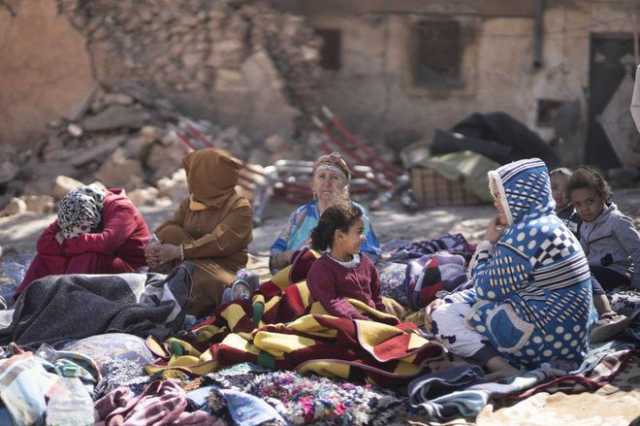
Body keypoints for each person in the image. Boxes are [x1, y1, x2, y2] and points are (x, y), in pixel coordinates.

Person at [425, 158, 595, 377]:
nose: (496, 203)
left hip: (550, 345)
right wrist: (452, 298)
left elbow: (484, 288)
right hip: (571, 339)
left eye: (500, 195)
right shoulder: (549, 223)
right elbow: (499, 286)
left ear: (519, 195)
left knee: (442, 316)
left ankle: (502, 367)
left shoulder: (527, 233)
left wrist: (487, 242)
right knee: (460, 303)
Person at [145, 148, 253, 317]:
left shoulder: (239, 207)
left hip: (220, 270)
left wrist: (179, 252)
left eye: (196, 173)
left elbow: (219, 241)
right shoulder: (192, 202)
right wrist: (154, 243)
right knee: (170, 233)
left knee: (192, 272)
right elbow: (172, 224)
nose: (192, 179)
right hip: (191, 258)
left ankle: (224, 293)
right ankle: (164, 285)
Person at [15, 185, 151, 296]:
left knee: (88, 256)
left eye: (83, 229)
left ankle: (66, 298)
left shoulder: (121, 208)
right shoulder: (75, 207)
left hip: (132, 268)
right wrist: (79, 242)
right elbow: (44, 244)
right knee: (45, 257)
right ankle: (24, 298)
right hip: (103, 259)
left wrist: (67, 243)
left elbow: (106, 243)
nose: (77, 235)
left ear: (93, 216)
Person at [269, 152, 380, 273]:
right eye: (322, 176)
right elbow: (276, 252)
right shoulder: (301, 214)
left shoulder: (355, 215)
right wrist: (287, 257)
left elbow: (370, 256)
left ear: (345, 187)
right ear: (313, 186)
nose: (327, 183)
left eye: (334, 177)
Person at [306, 204, 393, 322]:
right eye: (359, 232)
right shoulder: (321, 270)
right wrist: (364, 322)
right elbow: (333, 304)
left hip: (369, 320)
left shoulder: (365, 262)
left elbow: (376, 298)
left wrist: (383, 319)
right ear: (339, 236)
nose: (364, 238)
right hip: (339, 324)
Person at [568, 167, 640, 292]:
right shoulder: (585, 224)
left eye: (590, 201)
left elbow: (637, 250)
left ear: (602, 196)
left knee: (581, 277)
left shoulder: (617, 221)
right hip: (594, 272)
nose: (584, 208)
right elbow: (582, 255)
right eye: (578, 204)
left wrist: (637, 283)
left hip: (618, 273)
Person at [549, 167, 581, 235]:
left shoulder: (578, 215)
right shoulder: (540, 213)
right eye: (554, 187)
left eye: (566, 189)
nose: (559, 193)